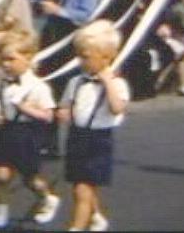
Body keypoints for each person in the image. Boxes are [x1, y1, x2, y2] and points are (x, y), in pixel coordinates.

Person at [57, 19, 130, 231]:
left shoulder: (117, 84)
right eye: (79, 55)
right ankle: (96, 215)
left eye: (86, 57)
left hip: (99, 140)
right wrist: (64, 113)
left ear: (107, 57)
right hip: (77, 136)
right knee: (81, 185)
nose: (81, 61)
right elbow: (67, 105)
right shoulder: (76, 82)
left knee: (82, 187)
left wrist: (108, 83)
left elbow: (117, 108)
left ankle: (76, 227)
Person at [0, 30, 60, 229]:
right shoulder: (0, 82)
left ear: (28, 58)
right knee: (1, 176)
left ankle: (47, 198)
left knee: (30, 178)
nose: (5, 64)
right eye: (2, 59)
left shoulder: (38, 87)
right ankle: (1, 213)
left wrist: (25, 108)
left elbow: (48, 115)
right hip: (5, 132)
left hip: (27, 134)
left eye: (11, 59)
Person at [38, 0, 101, 157]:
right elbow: (36, 2)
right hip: (51, 38)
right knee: (49, 91)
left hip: (71, 40)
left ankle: (79, 142)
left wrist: (60, 11)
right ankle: (49, 142)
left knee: (73, 91)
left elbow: (87, 14)